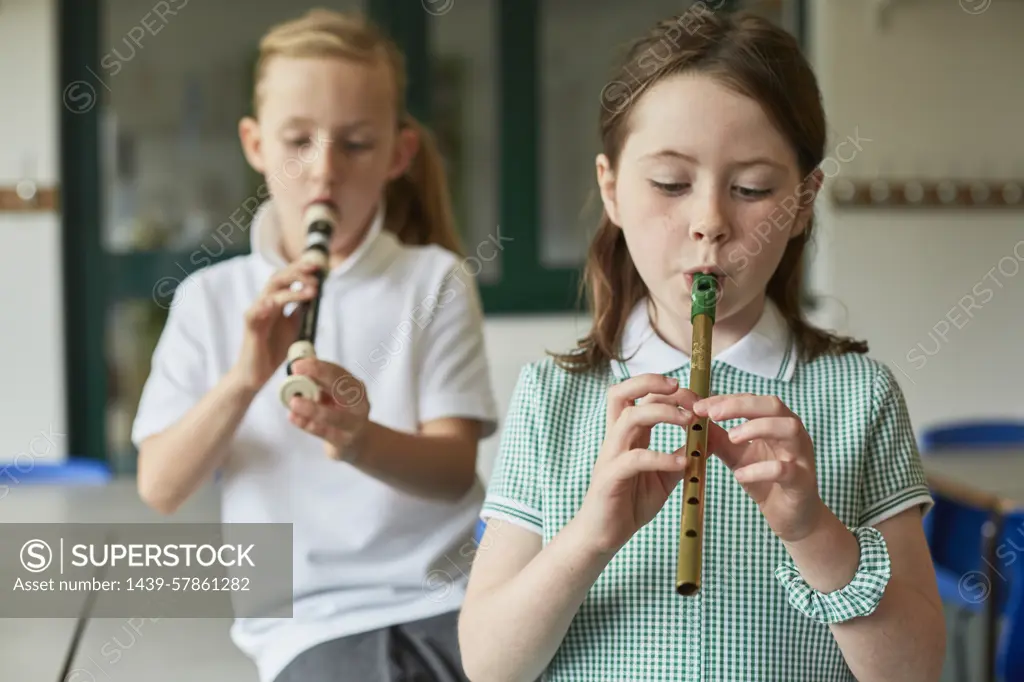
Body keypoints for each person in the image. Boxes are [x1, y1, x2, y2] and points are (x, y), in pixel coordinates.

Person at [459, 9, 946, 682]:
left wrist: (814, 533)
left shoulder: (859, 396)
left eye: (751, 189)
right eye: (669, 184)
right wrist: (590, 538)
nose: (709, 223)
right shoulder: (554, 396)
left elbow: (914, 670)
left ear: (803, 202)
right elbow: (487, 665)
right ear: (612, 190)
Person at [131, 9, 497, 682]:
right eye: (297, 139)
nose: (323, 170)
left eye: (356, 143)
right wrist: (245, 377)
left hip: (454, 597)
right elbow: (160, 486)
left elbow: (452, 474)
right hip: (308, 619)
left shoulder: (434, 279)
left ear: (399, 154)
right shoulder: (209, 299)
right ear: (255, 144)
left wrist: (361, 439)